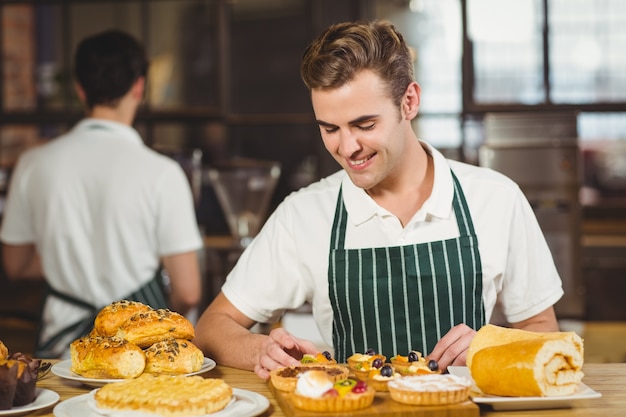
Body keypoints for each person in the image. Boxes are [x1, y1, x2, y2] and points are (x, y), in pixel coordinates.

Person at [193, 20, 563, 379]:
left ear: (409, 102)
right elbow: (212, 327)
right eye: (330, 129)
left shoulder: (496, 199)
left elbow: (542, 328)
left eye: (364, 125)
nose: (347, 147)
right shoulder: (304, 214)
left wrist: (489, 349)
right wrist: (261, 351)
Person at [0, 30, 203, 358]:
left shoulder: (33, 164)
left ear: (80, 90)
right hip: (138, 354)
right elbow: (188, 292)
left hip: (61, 351)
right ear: (139, 87)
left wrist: (71, 252)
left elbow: (16, 265)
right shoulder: (162, 173)